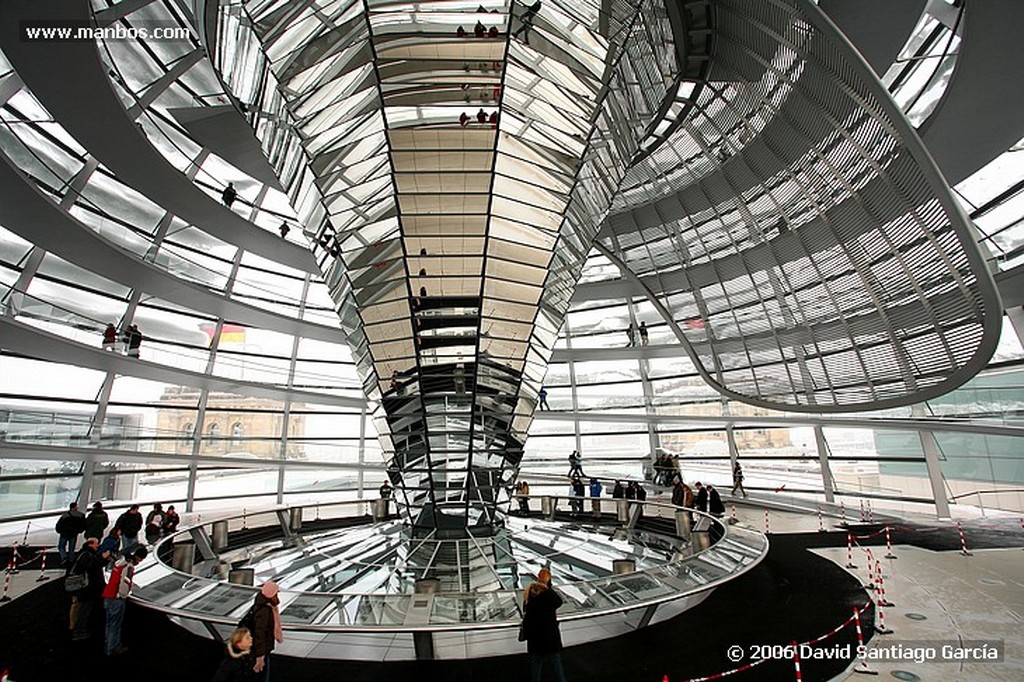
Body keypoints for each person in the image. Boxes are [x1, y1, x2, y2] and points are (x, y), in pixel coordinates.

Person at [522, 567, 566, 682]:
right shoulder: (549, 595)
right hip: (549, 638)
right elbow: (559, 602)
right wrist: (548, 587)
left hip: (534, 638)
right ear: (548, 580)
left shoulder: (529, 594)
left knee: (536, 665)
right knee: (556, 664)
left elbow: (526, 610)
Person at [103, 544, 148, 656]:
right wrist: (123, 595)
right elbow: (125, 583)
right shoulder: (128, 567)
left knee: (109, 622)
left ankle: (108, 644)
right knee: (115, 624)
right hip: (116, 598)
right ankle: (113, 647)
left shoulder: (119, 563)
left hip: (108, 595)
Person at [68, 537, 105, 641]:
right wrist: (102, 559)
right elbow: (92, 566)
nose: (98, 545)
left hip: (85, 588)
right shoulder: (86, 555)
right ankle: (78, 631)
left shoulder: (85, 554)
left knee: (83, 609)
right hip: (85, 589)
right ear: (90, 544)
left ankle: (78, 628)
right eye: (96, 543)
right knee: (83, 610)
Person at [251, 581, 284, 681]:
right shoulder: (265, 610)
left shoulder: (264, 605)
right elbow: (259, 633)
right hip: (262, 651)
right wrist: (260, 656)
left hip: (264, 649)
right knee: (262, 675)